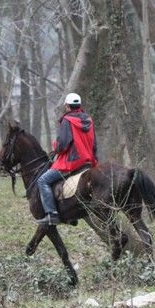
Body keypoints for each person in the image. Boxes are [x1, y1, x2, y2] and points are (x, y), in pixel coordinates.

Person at [35, 93, 98, 225]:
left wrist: (55, 147)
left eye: (66, 106)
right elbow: (94, 144)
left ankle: (52, 214)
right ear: (79, 106)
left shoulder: (67, 120)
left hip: (72, 162)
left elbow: (63, 144)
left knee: (43, 180)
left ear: (68, 106)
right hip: (88, 162)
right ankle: (71, 213)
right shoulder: (89, 120)